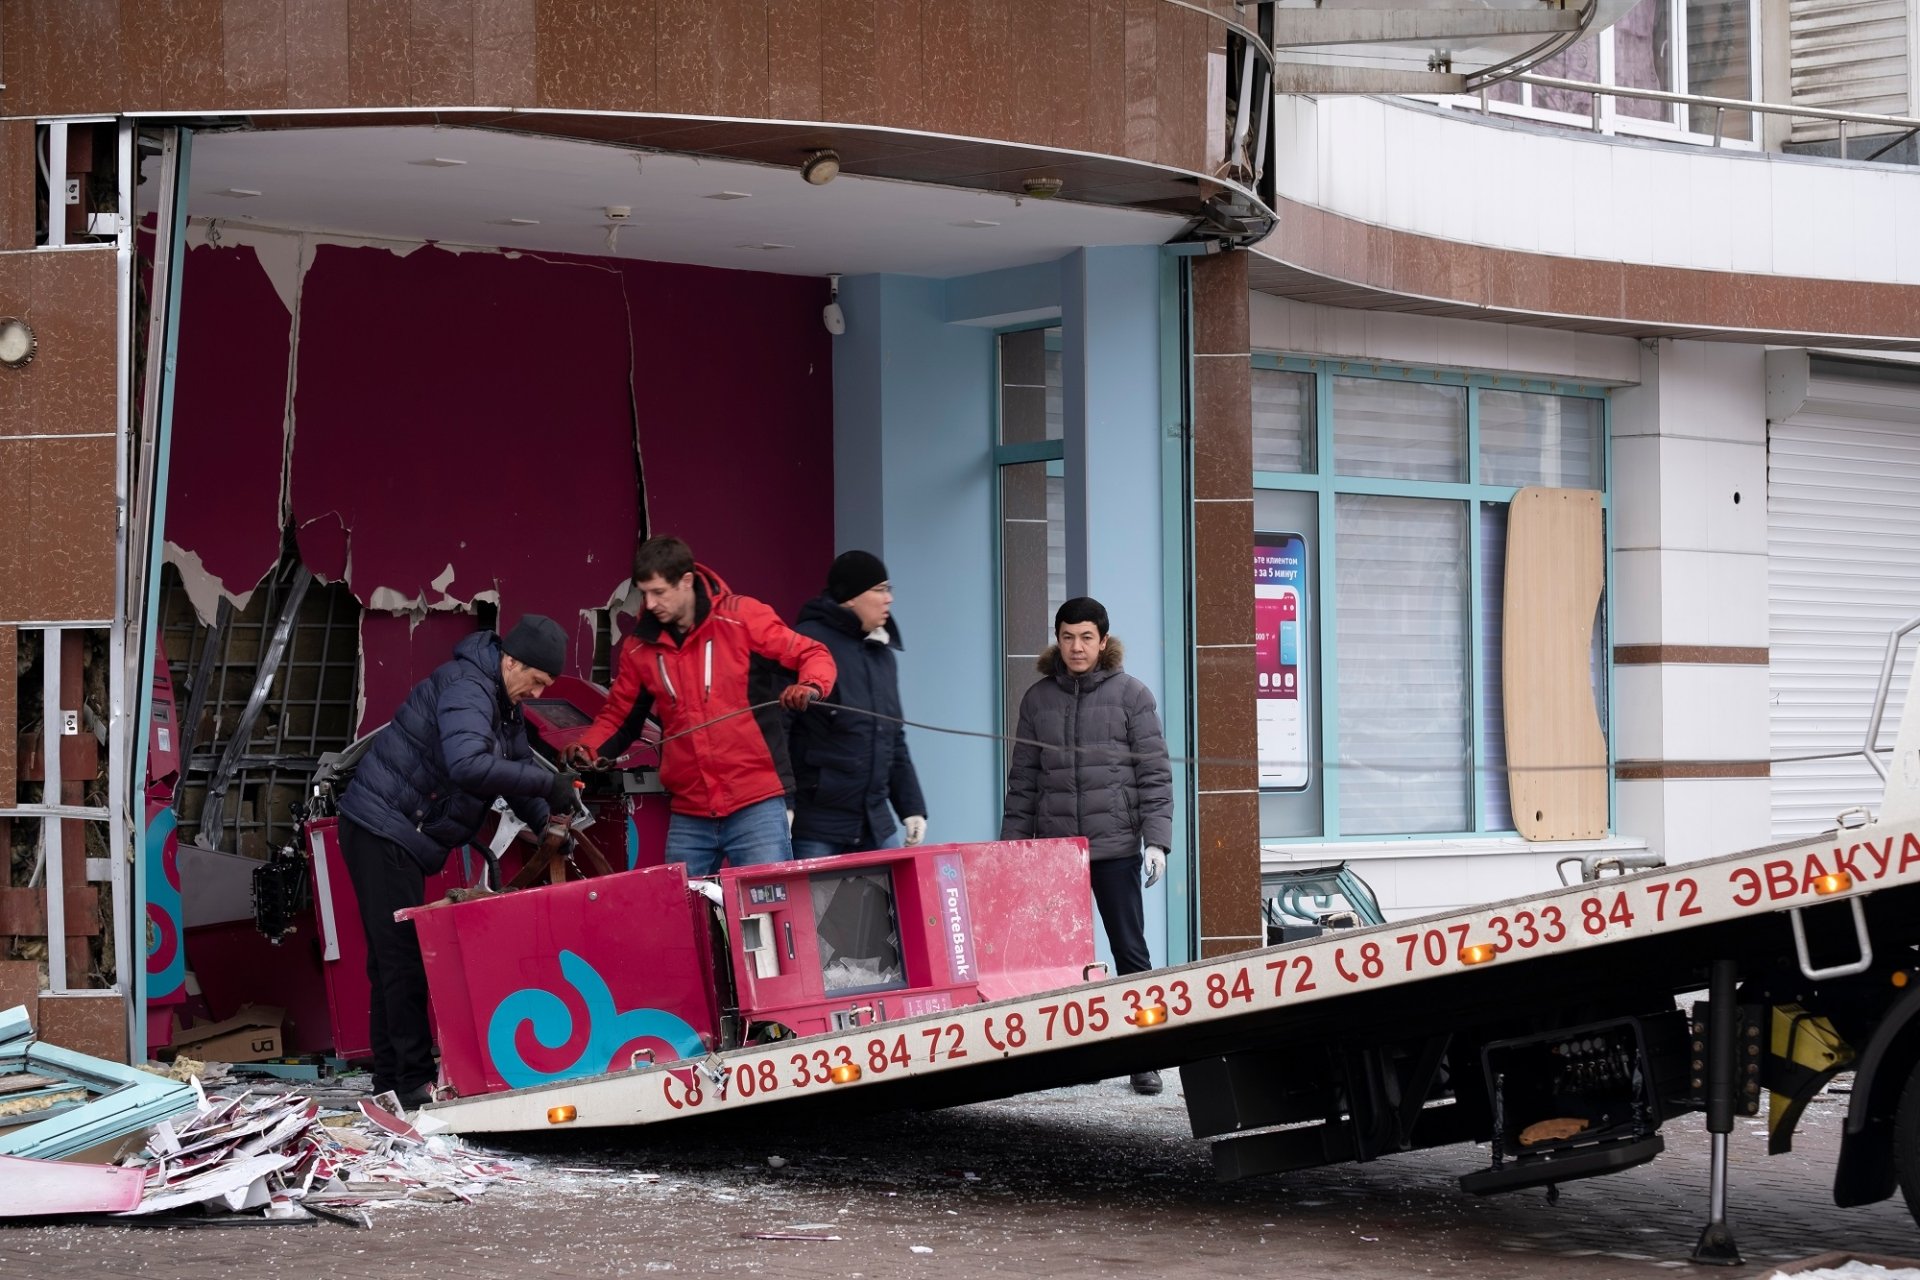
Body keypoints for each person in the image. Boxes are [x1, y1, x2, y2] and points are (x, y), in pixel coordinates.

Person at [337, 615, 578, 1110]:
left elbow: (518, 767)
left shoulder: (502, 700)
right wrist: (545, 787)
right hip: (383, 826)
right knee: (401, 961)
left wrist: (553, 819)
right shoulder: (468, 687)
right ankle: (412, 1084)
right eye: (535, 680)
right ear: (511, 661)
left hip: (396, 830)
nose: (536, 692)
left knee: (391, 963)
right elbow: (468, 764)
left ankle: (391, 1082)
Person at [565, 535, 836, 875]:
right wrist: (587, 748)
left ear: (687, 582)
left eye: (659, 592)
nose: (650, 603)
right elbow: (619, 716)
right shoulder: (639, 648)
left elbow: (813, 653)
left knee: (768, 917)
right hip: (689, 812)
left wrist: (810, 685)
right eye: (644, 592)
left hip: (756, 803)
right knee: (681, 916)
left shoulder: (743, 618)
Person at [1000, 596, 1173, 1095]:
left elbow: (1154, 776)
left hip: (1116, 848)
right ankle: (1081, 1057)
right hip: (1057, 854)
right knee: (1067, 961)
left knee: (1130, 953)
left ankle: (1145, 1057)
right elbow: (1024, 782)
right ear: (1058, 639)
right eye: (1068, 636)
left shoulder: (1132, 696)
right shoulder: (1037, 700)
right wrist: (1014, 849)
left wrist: (1156, 841)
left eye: (1086, 637)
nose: (1076, 647)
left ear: (1103, 641)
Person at [788, 551, 927, 860]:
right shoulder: (806, 644)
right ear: (849, 597)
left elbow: (894, 738)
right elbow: (779, 729)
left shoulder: (883, 654)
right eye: (879, 590)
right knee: (814, 910)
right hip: (816, 825)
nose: (888, 599)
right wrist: (785, 804)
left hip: (875, 823)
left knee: (895, 906)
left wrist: (912, 807)